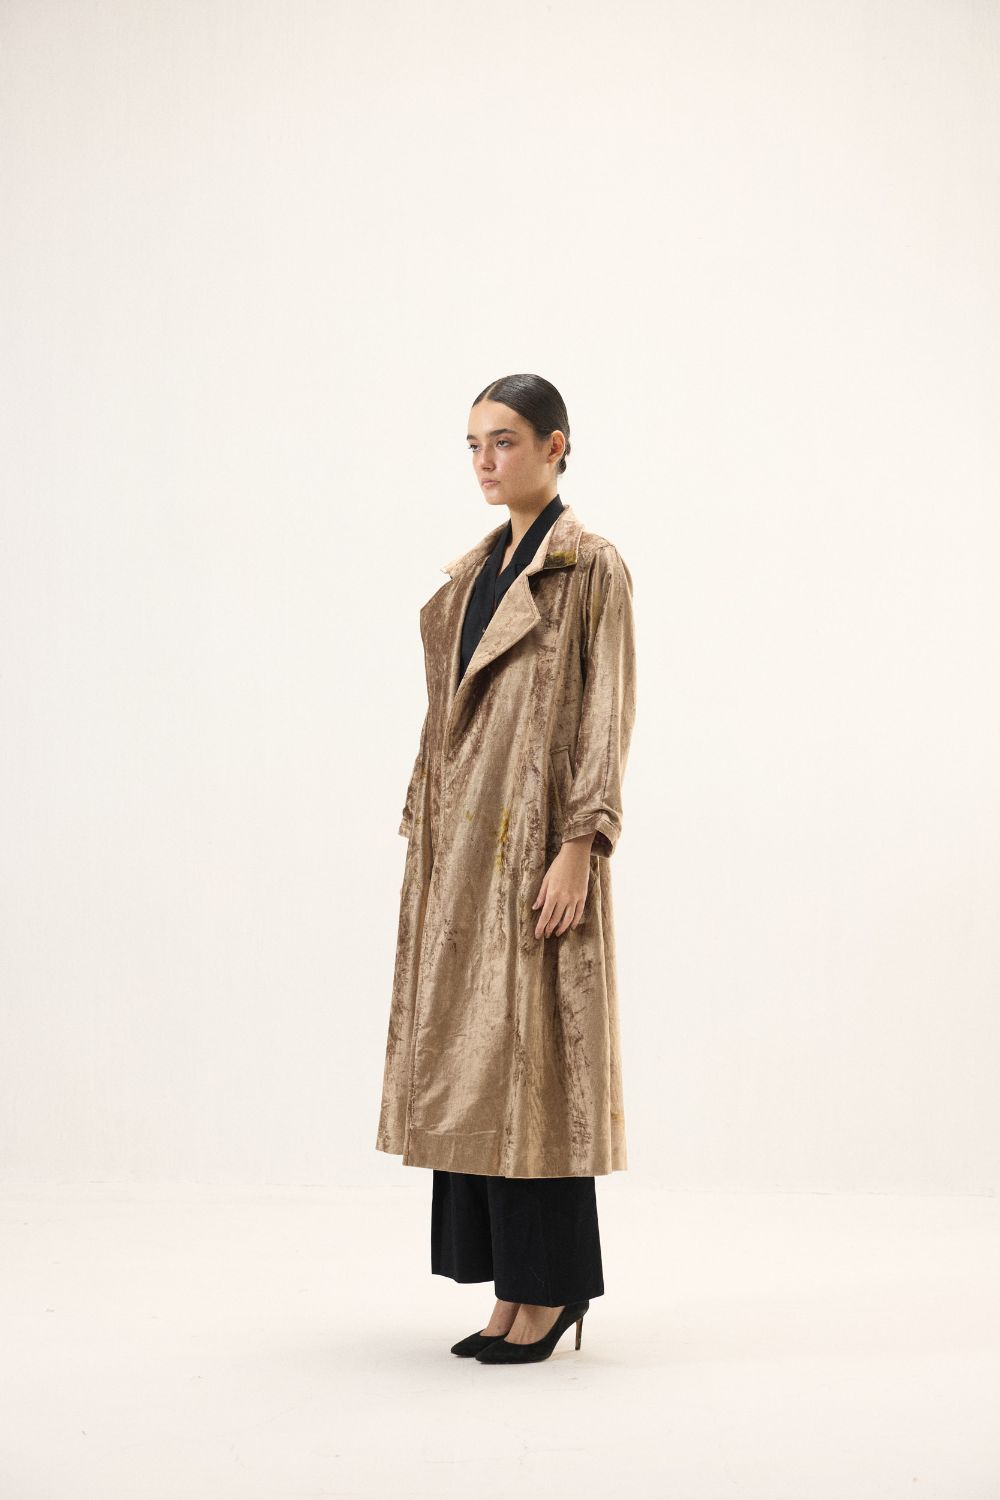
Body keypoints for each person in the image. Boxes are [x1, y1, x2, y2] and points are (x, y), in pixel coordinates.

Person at [376, 372, 637, 1364]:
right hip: (458, 857)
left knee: (539, 1070)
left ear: (555, 446)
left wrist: (580, 845)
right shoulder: (471, 575)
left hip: (534, 849)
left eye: (506, 442)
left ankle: (553, 1290)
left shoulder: (589, 567)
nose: (486, 462)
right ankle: (508, 1292)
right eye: (474, 445)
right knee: (477, 1069)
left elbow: (605, 714)